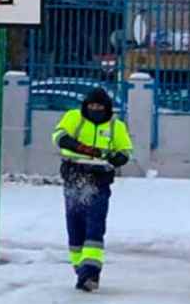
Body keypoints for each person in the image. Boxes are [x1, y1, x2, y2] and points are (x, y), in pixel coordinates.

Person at [51, 87, 134, 293]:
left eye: (99, 106)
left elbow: (125, 152)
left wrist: (115, 157)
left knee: (95, 223)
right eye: (91, 106)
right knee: (75, 222)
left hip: (99, 179)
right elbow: (60, 137)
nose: (95, 109)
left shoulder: (117, 126)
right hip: (74, 175)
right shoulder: (73, 117)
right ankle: (80, 268)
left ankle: (91, 271)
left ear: (107, 108)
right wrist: (85, 149)